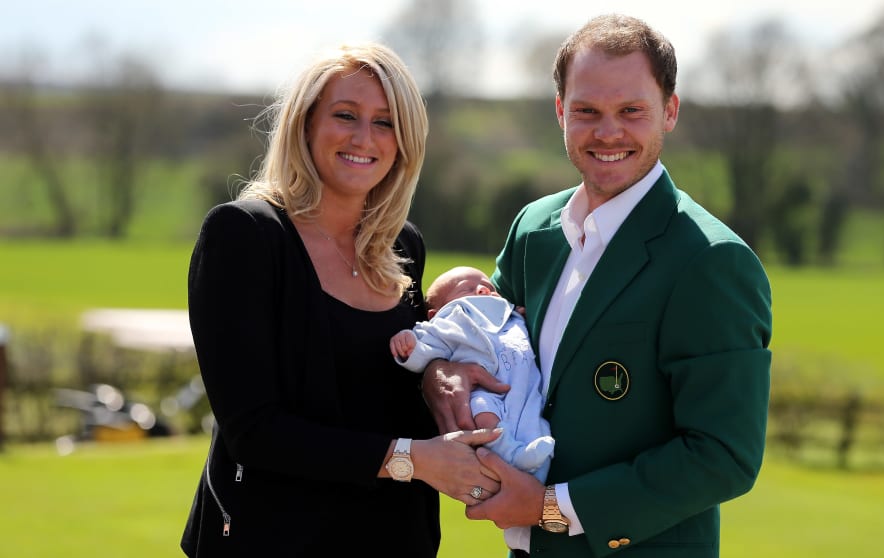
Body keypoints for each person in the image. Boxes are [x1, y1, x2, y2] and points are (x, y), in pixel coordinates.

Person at [421, 14, 773, 558]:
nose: (608, 132)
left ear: (669, 112)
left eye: (631, 111)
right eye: (587, 111)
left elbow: (724, 455)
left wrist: (549, 508)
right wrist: (441, 372)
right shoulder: (533, 229)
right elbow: (481, 337)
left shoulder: (713, 260)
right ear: (561, 112)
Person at [180, 42, 500, 558]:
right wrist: (410, 459)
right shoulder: (244, 236)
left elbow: (397, 389)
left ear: (405, 141)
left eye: (385, 122)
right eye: (345, 115)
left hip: (395, 539)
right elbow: (254, 430)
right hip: (272, 542)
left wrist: (451, 372)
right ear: (305, 125)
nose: (363, 138)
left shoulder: (403, 247)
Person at [390, 265, 555, 480]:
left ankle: (538, 477)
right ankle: (508, 452)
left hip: (525, 388)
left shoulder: (512, 316)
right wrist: (409, 343)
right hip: (485, 391)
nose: (482, 290)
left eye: (489, 287)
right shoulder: (451, 321)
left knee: (536, 424)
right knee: (483, 412)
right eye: (466, 288)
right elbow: (425, 344)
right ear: (436, 312)